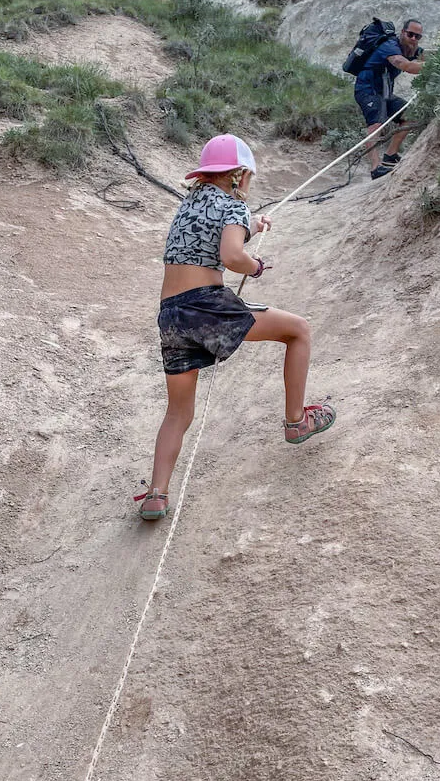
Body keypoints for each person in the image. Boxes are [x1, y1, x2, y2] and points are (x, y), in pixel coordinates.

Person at [135, 133, 336, 521]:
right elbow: (231, 254)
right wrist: (254, 266)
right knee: (299, 330)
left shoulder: (189, 205)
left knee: (178, 411)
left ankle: (156, 495)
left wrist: (252, 226)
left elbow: (211, 237)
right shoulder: (231, 205)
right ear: (240, 175)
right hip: (206, 306)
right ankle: (297, 421)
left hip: (171, 314)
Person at [354, 19, 425, 180]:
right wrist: (432, 66)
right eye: (410, 34)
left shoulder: (410, 49)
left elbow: (423, 57)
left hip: (384, 92)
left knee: (411, 116)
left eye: (417, 36)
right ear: (402, 32)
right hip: (367, 90)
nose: (413, 39)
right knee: (376, 124)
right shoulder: (389, 46)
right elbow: (404, 65)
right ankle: (375, 167)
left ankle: (390, 155)